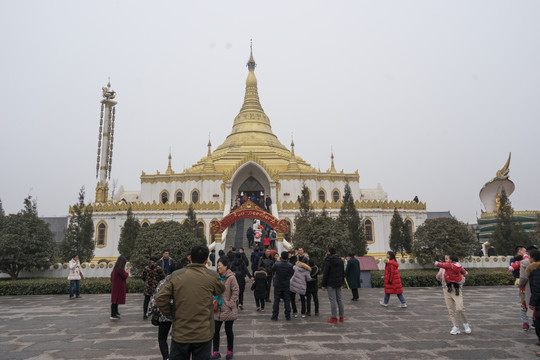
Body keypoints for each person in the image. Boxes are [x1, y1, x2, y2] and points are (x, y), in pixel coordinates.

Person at [156, 245, 225, 360]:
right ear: (206, 260)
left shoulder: (176, 276)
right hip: (203, 334)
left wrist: (170, 312)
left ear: (190, 258)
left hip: (181, 334)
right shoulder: (212, 276)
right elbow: (220, 289)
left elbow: (160, 298)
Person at [147, 261, 182, 360]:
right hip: (180, 314)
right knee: (178, 338)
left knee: (162, 338)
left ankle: (166, 357)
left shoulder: (163, 282)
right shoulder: (184, 283)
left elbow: (155, 298)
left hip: (164, 314)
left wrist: (151, 311)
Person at [211, 257, 239, 360]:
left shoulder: (231, 278)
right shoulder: (216, 277)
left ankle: (229, 350)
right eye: (217, 265)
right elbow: (212, 290)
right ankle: (215, 351)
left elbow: (236, 291)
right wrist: (213, 299)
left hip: (228, 309)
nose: (218, 267)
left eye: (220, 265)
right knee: (215, 331)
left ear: (226, 266)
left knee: (228, 331)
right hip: (216, 309)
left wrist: (230, 303)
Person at [435, 254, 471, 335]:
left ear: (451, 259)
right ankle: (456, 327)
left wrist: (457, 281)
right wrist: (438, 276)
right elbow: (439, 276)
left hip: (456, 290)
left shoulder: (457, 267)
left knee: (460, 308)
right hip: (446, 289)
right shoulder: (443, 267)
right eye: (445, 259)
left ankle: (466, 324)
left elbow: (464, 277)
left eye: (447, 259)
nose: (445, 261)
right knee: (451, 310)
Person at [321, 247, 345, 324]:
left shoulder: (328, 261)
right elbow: (343, 272)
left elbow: (326, 273)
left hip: (330, 282)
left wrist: (323, 284)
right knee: (340, 299)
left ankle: (334, 317)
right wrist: (342, 282)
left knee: (333, 300)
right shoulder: (340, 260)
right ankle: (341, 317)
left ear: (329, 252)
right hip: (338, 282)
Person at [271, 251, 295, 321]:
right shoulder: (290, 265)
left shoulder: (277, 264)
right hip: (286, 284)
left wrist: (277, 261)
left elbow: (272, 269)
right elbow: (292, 273)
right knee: (287, 300)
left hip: (278, 284)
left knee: (276, 300)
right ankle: (288, 315)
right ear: (287, 257)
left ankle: (275, 315)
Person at [518, 245, 535, 331]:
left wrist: (520, 285)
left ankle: (525, 323)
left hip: (526, 288)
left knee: (524, 305)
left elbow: (523, 277)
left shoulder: (524, 262)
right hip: (536, 288)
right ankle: (534, 321)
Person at [526, 249, 540, 351]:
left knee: (538, 323)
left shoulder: (535, 270)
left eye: (530, 257)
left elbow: (537, 289)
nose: (529, 259)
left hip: (538, 301)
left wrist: (532, 303)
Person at [110, 256, 129, 320]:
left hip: (116, 286)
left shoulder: (116, 267)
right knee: (115, 300)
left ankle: (115, 312)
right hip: (118, 286)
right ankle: (113, 314)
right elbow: (124, 276)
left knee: (115, 299)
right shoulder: (120, 269)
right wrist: (127, 272)